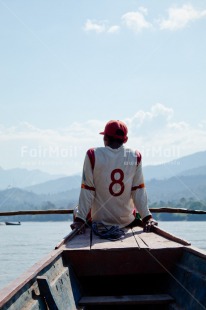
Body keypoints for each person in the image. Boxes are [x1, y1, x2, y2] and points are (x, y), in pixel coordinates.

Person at [71, 120, 157, 235]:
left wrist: (80, 219)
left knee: (76, 210)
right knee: (133, 211)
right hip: (126, 220)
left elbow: (88, 190)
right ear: (125, 140)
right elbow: (138, 190)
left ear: (105, 138)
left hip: (98, 220)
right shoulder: (135, 155)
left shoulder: (93, 154)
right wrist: (147, 218)